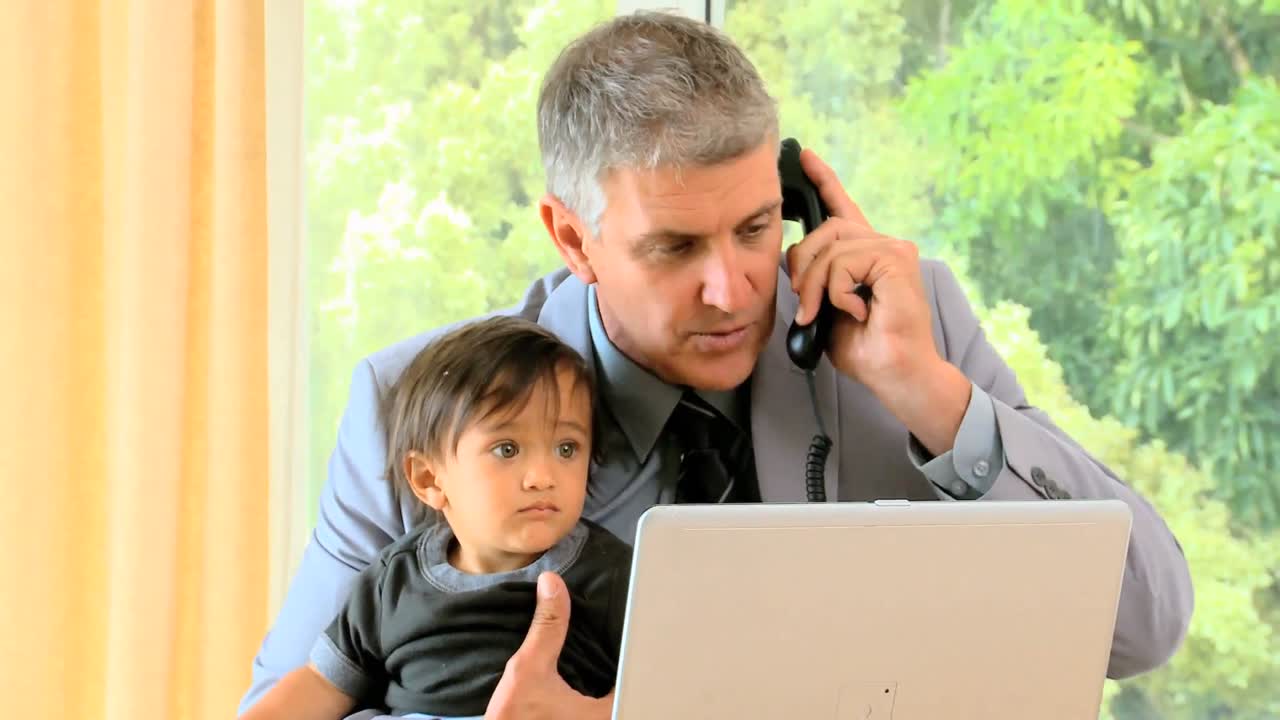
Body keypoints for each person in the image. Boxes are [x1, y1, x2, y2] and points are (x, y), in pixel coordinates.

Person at [241, 11, 1194, 720]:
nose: (735, 291)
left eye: (754, 229)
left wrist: (927, 393)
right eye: (674, 248)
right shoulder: (422, 409)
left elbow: (1142, 629)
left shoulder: (912, 324)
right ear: (572, 238)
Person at [242, 316, 631, 720]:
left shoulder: (616, 575)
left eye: (567, 449)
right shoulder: (393, 580)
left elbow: (668, 689)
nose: (542, 478)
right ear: (429, 478)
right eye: (507, 449)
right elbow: (322, 684)